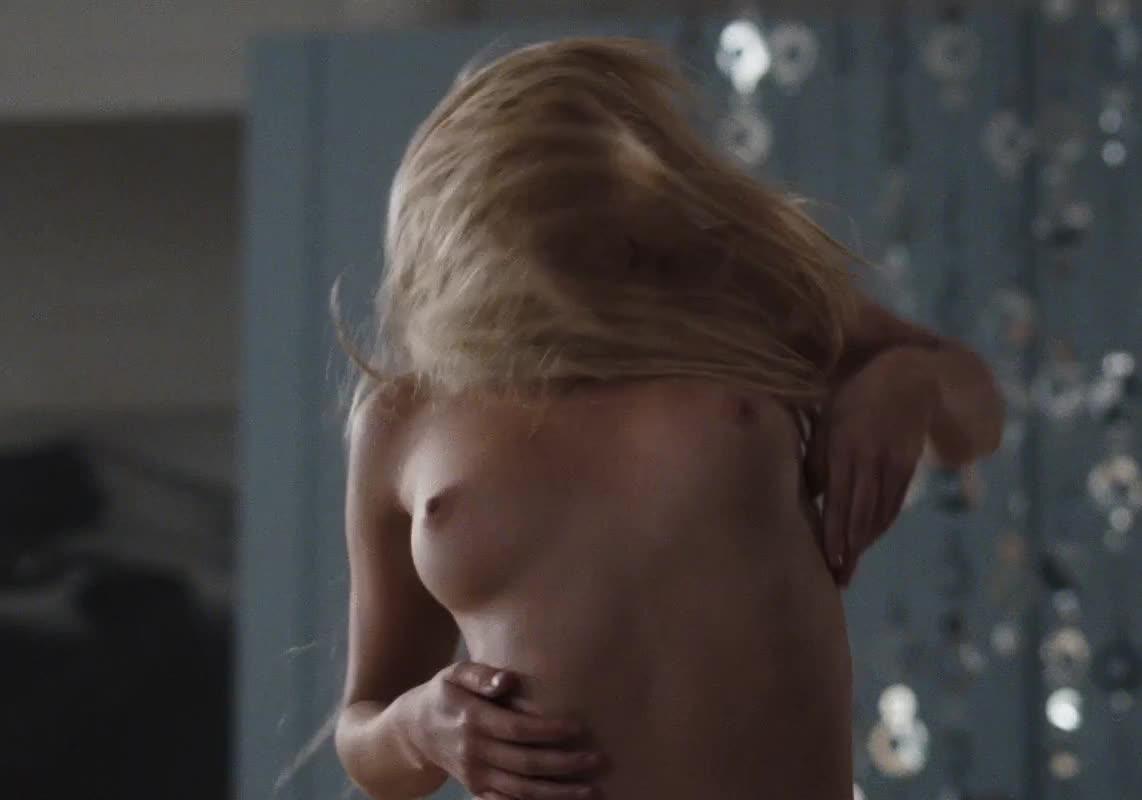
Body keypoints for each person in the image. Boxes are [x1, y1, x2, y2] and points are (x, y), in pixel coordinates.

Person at [332, 37, 1004, 800]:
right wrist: (415, 728)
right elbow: (363, 730)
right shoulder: (400, 420)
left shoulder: (733, 301)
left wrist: (906, 378)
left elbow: (977, 416)